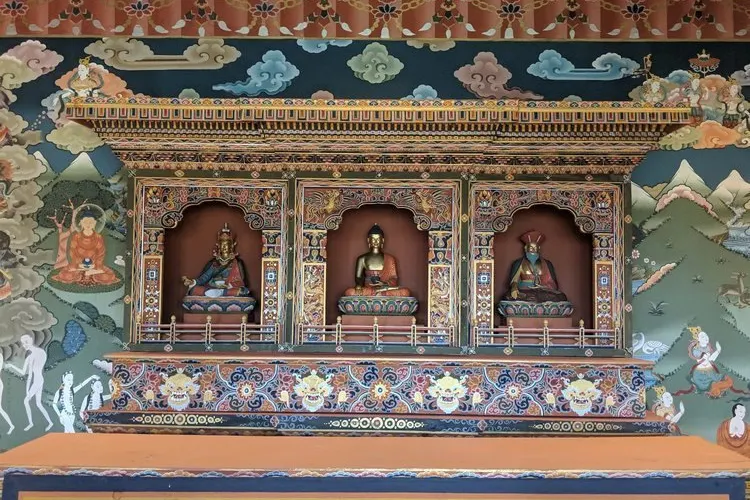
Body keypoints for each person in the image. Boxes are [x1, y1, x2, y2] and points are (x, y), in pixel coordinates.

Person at [50, 207, 121, 287]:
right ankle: (88, 273)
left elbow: (101, 254)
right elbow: (73, 252)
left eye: (91, 222)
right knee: (65, 275)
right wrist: (78, 265)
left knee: (108, 276)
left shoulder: (98, 237)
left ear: (95, 223)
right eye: (85, 222)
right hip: (79, 265)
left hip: (94, 265)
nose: (88, 224)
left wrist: (95, 266)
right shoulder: (76, 237)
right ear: (81, 223)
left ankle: (91, 273)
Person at [182, 223, 251, 299]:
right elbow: (204, 278)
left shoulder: (237, 262)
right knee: (193, 290)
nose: (224, 247)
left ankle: (220, 292)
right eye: (222, 244)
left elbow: (241, 281)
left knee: (243, 291)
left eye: (226, 244)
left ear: (231, 246)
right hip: (212, 287)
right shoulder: (214, 262)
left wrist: (228, 285)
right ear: (218, 246)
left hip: (228, 288)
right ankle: (218, 293)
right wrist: (192, 282)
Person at [343, 224, 412, 297]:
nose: (375, 241)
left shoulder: (390, 259)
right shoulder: (362, 258)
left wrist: (384, 283)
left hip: (384, 289)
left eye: (378, 239)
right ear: (368, 240)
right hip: (369, 290)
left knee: (405, 292)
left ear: (382, 240)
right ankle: (379, 295)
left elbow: (394, 278)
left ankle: (377, 295)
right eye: (373, 239)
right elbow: (358, 277)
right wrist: (359, 286)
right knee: (350, 292)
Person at [502, 230, 569, 303]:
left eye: (535, 247)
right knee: (508, 296)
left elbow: (552, 283)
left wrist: (544, 286)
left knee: (561, 296)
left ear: (539, 248)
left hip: (541, 291)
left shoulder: (547, 263)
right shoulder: (519, 263)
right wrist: (514, 288)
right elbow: (514, 281)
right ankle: (534, 302)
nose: (533, 250)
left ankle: (533, 302)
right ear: (525, 248)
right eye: (530, 247)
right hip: (524, 290)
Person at [6, 334, 54, 431]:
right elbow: (25, 373)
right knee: (38, 404)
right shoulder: (32, 356)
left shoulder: (37, 354)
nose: (25, 345)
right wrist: (12, 366)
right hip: (38, 380)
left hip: (38, 381)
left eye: (26, 342)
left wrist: (28, 390)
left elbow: (32, 375)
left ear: (31, 340)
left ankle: (31, 423)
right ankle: (50, 422)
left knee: (26, 401)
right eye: (23, 343)